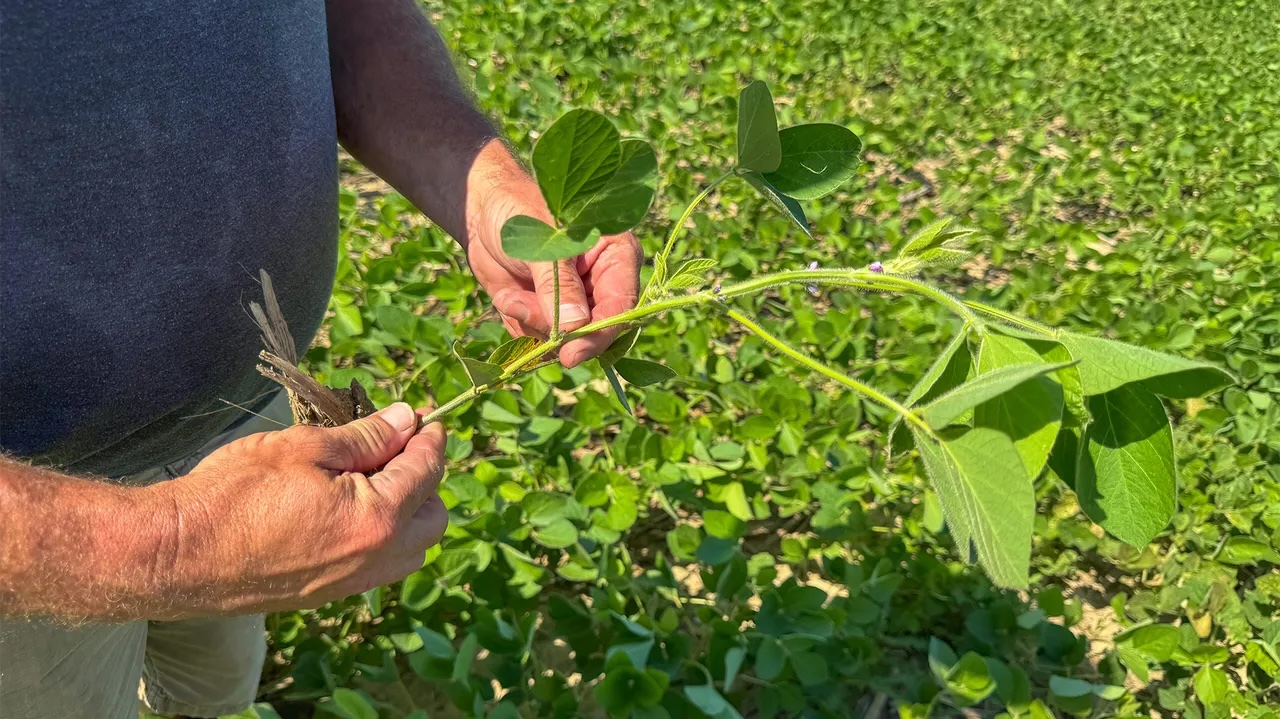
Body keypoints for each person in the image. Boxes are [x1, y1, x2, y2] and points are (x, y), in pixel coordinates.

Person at [0, 1, 641, 716]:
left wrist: (478, 181)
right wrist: (174, 547)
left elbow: (343, 14)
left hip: (248, 419)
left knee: (214, 693)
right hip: (33, 537)